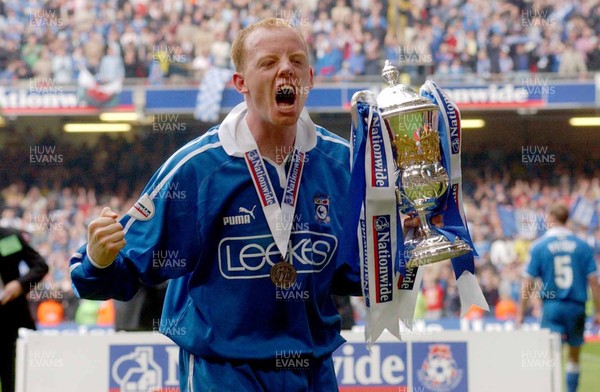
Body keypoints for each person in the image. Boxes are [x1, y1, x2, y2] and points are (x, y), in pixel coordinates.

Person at [69, 18, 361, 391]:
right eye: (269, 62)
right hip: (223, 373)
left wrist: (403, 246)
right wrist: (99, 259)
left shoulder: (344, 165)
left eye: (296, 61)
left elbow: (356, 274)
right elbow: (122, 270)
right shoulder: (197, 169)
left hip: (312, 371)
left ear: (311, 77)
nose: (286, 68)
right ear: (240, 82)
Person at [518, 204, 600, 392]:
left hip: (552, 306)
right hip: (576, 306)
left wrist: (520, 312)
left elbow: (528, 282)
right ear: (567, 219)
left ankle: (549, 388)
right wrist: (598, 310)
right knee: (574, 354)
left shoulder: (539, 246)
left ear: (551, 218)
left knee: (549, 355)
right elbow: (595, 282)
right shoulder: (583, 246)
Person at [0, 227, 49, 392]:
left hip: (11, 322)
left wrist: (19, 284)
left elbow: (40, 266)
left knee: (15, 378)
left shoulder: (7, 239)